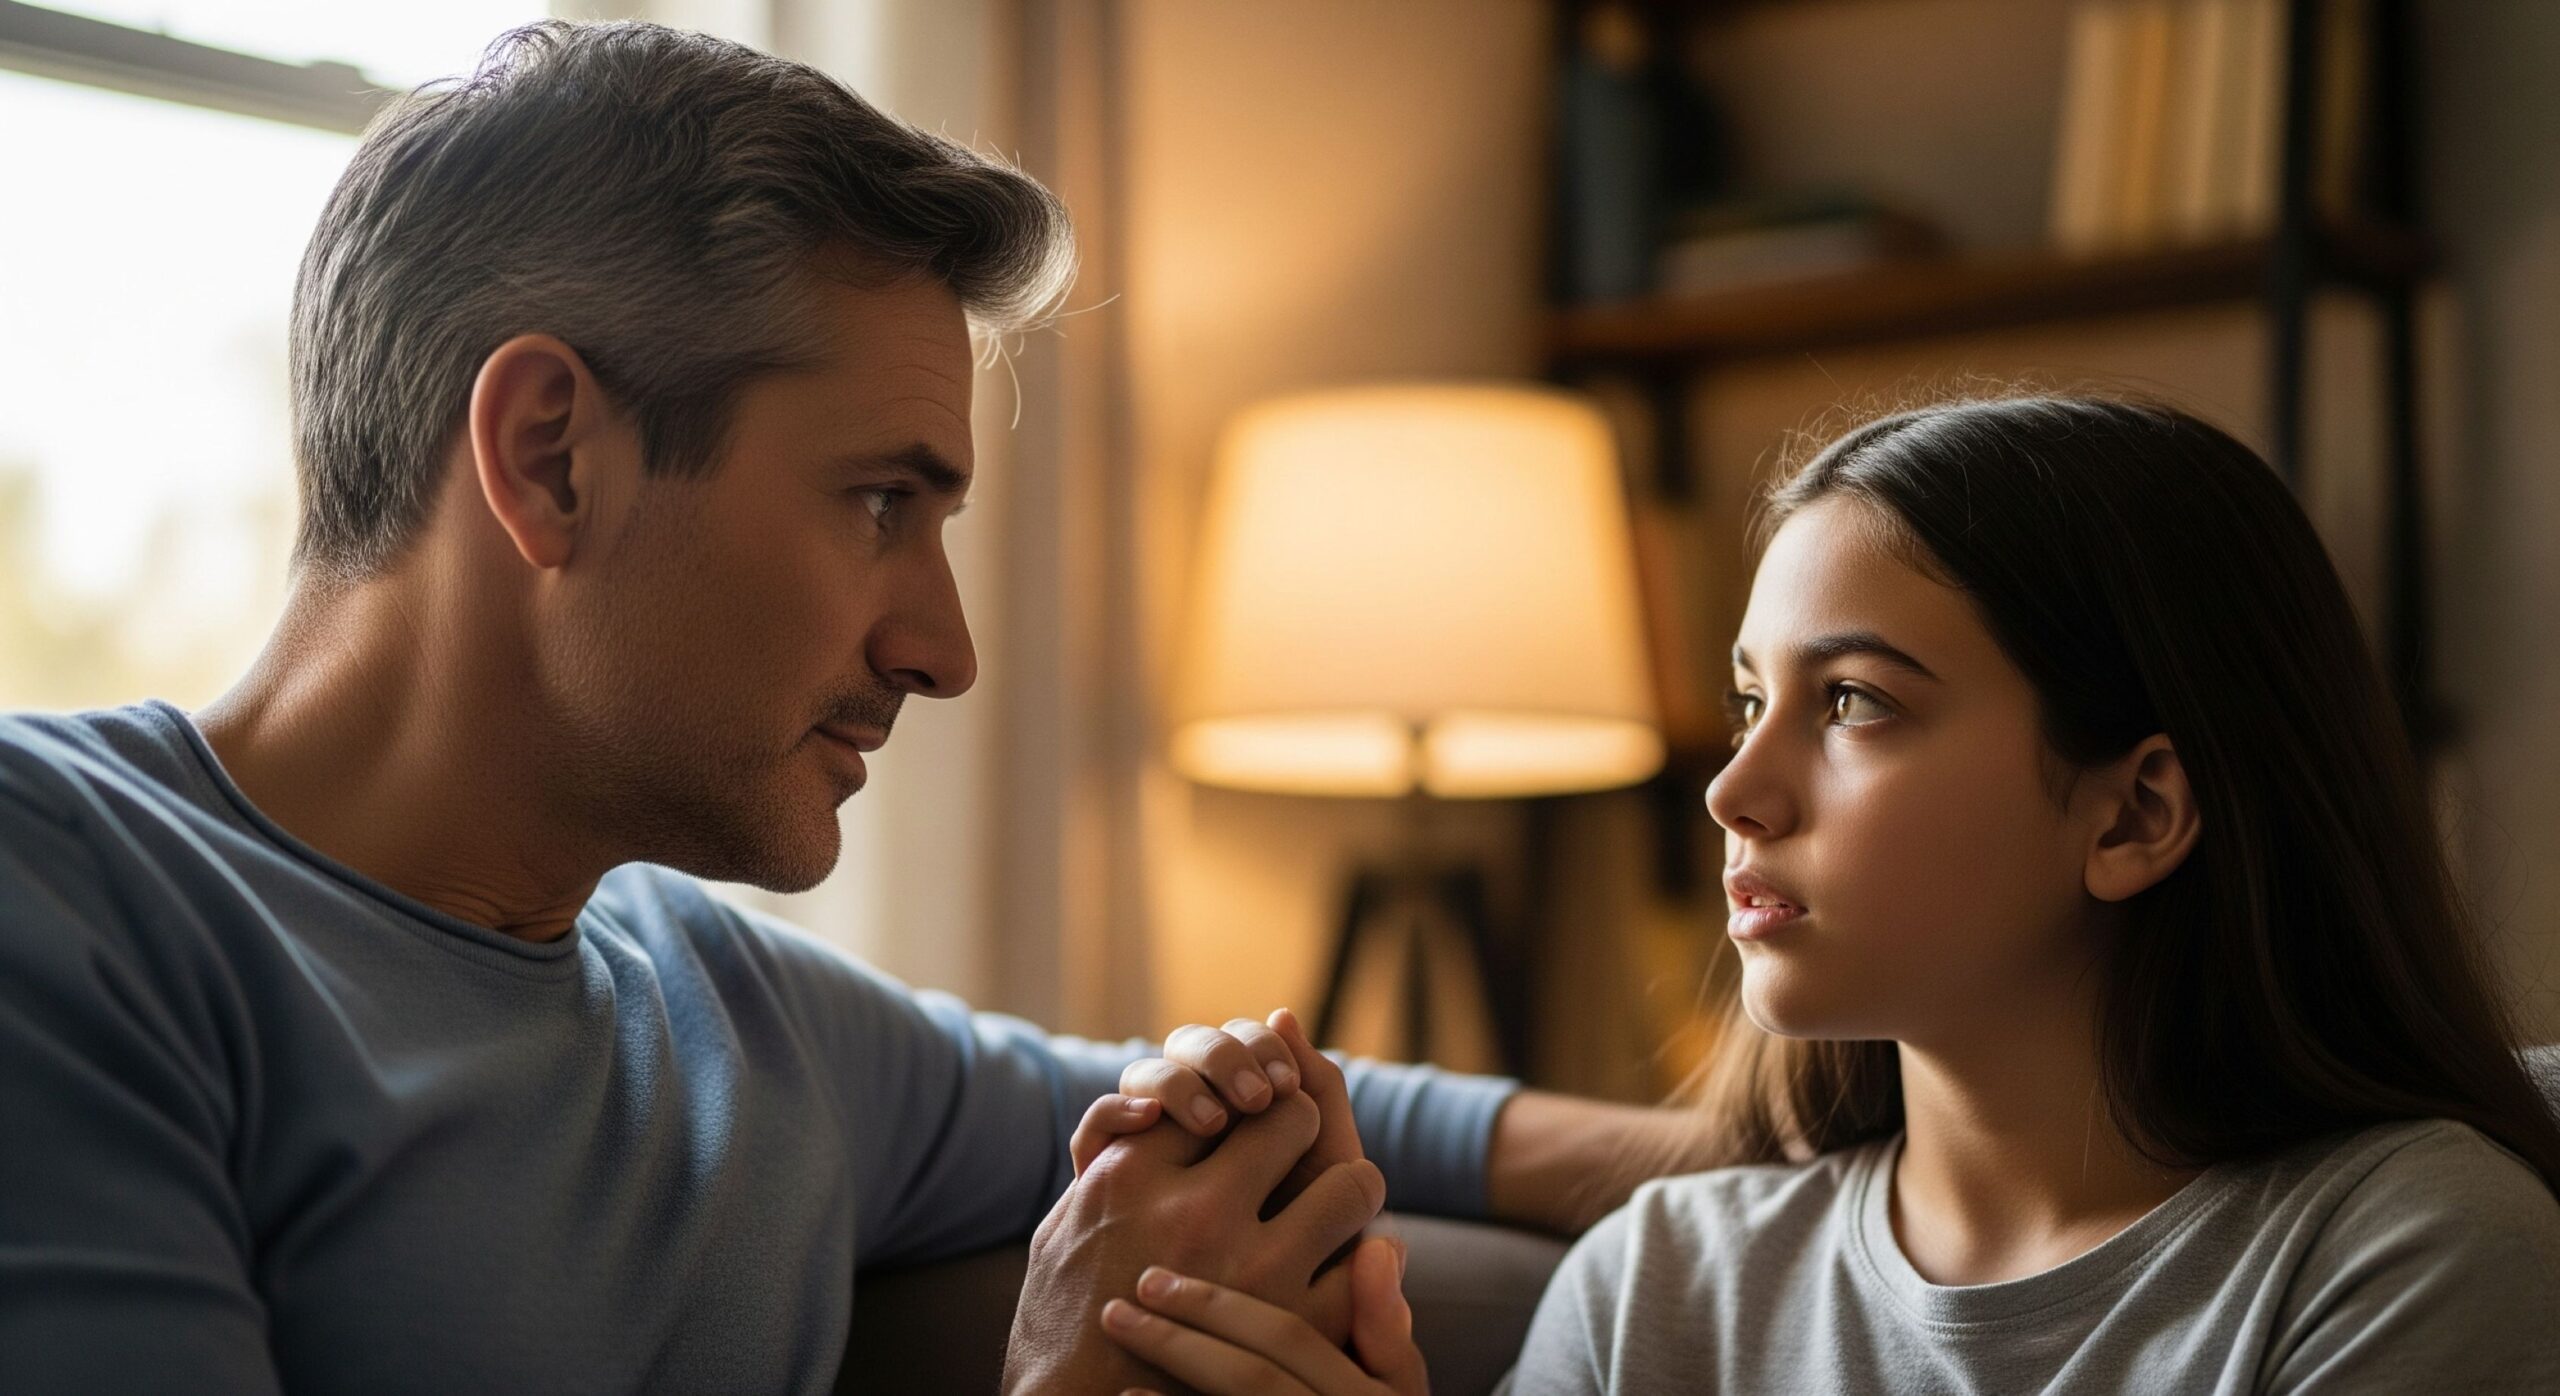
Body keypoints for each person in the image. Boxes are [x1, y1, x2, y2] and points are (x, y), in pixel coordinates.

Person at [0, 20, 1719, 1394]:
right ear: (550, 457)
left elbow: (1281, 1109)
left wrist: (1813, 1166)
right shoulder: (68, 900)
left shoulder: (729, 1014)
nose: (946, 650)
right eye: (881, 502)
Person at [1086, 395, 2560, 1394]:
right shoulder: (1656, 1289)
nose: (1737, 792)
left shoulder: (2410, 1256)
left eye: (1853, 702)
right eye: (1748, 704)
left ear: (2137, 812)